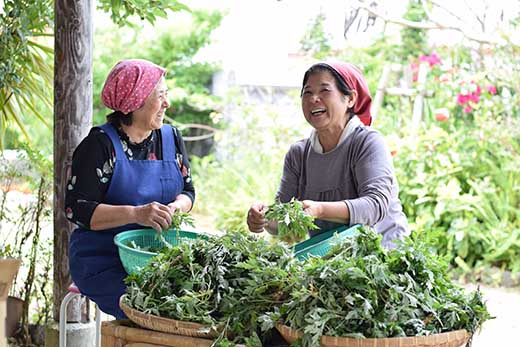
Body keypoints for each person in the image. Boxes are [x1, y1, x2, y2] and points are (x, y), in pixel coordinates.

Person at [65, 59, 195, 318]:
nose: (167, 103)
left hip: (157, 260)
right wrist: (137, 214)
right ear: (136, 101)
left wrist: (175, 207)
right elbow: (77, 210)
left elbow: (188, 191)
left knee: (192, 308)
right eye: (160, 96)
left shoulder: (171, 138)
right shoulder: (99, 145)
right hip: (103, 260)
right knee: (150, 311)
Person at [246, 61, 409, 248]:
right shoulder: (298, 154)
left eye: (324, 90)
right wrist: (264, 218)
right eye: (307, 92)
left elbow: (374, 206)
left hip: (384, 256)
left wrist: (320, 209)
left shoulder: (367, 143)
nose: (313, 98)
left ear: (350, 99)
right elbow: (283, 220)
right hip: (329, 261)